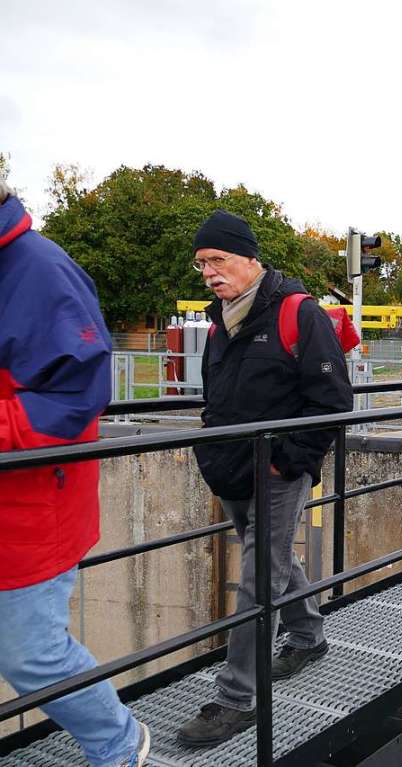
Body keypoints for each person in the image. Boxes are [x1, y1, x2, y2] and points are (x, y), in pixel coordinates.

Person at [177, 210, 353, 747]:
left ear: (250, 258)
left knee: (258, 579)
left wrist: (287, 460)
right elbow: (218, 400)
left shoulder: (299, 314)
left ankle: (236, 698)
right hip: (231, 467)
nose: (209, 272)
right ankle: (306, 635)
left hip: (277, 469)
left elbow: (333, 403)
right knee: (274, 559)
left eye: (218, 259)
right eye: (202, 262)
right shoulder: (220, 320)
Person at [0, 182, 150, 766]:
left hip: (29, 507)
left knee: (31, 653)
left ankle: (118, 740)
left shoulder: (38, 269)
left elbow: (81, 392)